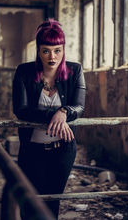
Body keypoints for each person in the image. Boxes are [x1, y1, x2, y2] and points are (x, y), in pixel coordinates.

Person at [12, 19, 86, 219]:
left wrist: (64, 111)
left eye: (57, 50)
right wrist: (54, 115)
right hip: (32, 150)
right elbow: (21, 109)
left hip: (62, 151)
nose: (52, 56)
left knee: (52, 203)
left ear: (63, 49)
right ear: (38, 50)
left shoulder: (75, 71)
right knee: (30, 203)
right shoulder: (24, 72)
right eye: (46, 50)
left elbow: (79, 106)